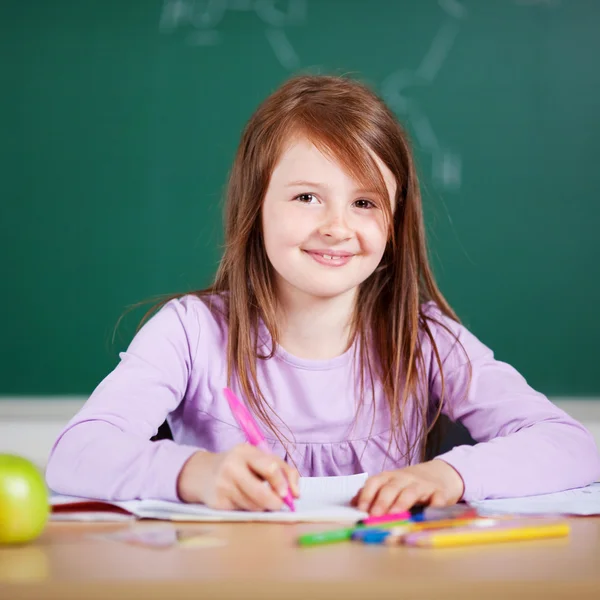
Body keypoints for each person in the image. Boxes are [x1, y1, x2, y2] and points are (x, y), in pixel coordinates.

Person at [46, 74, 600, 516]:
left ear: (394, 221)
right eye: (307, 196)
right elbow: (76, 455)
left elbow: (573, 446)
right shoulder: (189, 332)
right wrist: (194, 474)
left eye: (364, 203)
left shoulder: (424, 339)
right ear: (255, 207)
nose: (338, 226)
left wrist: (449, 474)